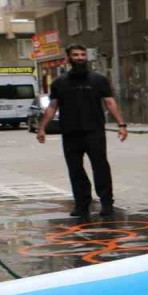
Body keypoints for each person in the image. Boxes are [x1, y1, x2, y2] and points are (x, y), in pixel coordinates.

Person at [37, 44, 128, 218]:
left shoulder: (98, 80)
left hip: (94, 132)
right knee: (75, 170)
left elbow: (110, 102)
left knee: (100, 167)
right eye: (76, 55)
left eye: (82, 54)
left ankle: (107, 204)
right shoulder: (59, 83)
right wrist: (42, 128)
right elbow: (52, 106)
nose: (80, 57)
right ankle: (81, 205)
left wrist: (121, 125)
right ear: (68, 58)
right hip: (70, 133)